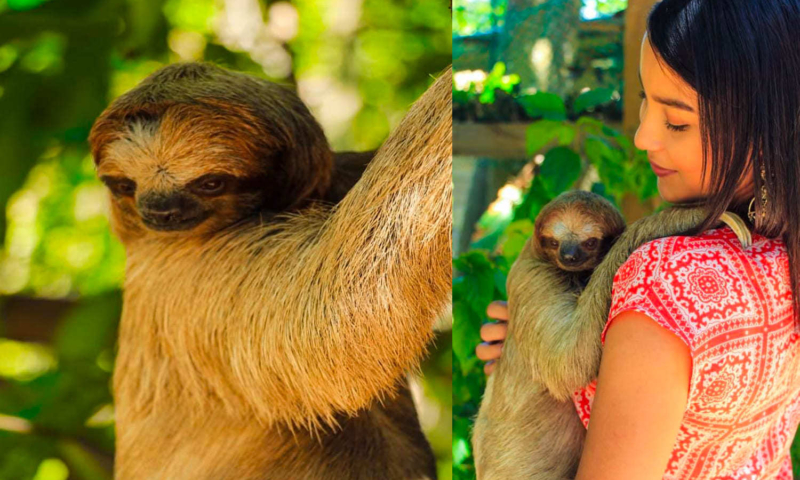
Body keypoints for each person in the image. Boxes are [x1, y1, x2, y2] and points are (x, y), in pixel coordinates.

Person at [475, 1, 800, 478]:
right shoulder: (782, 244)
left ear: (765, 127)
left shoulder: (662, 278)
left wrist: (641, 243)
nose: (643, 136)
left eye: (677, 121)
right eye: (645, 99)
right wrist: (535, 345)